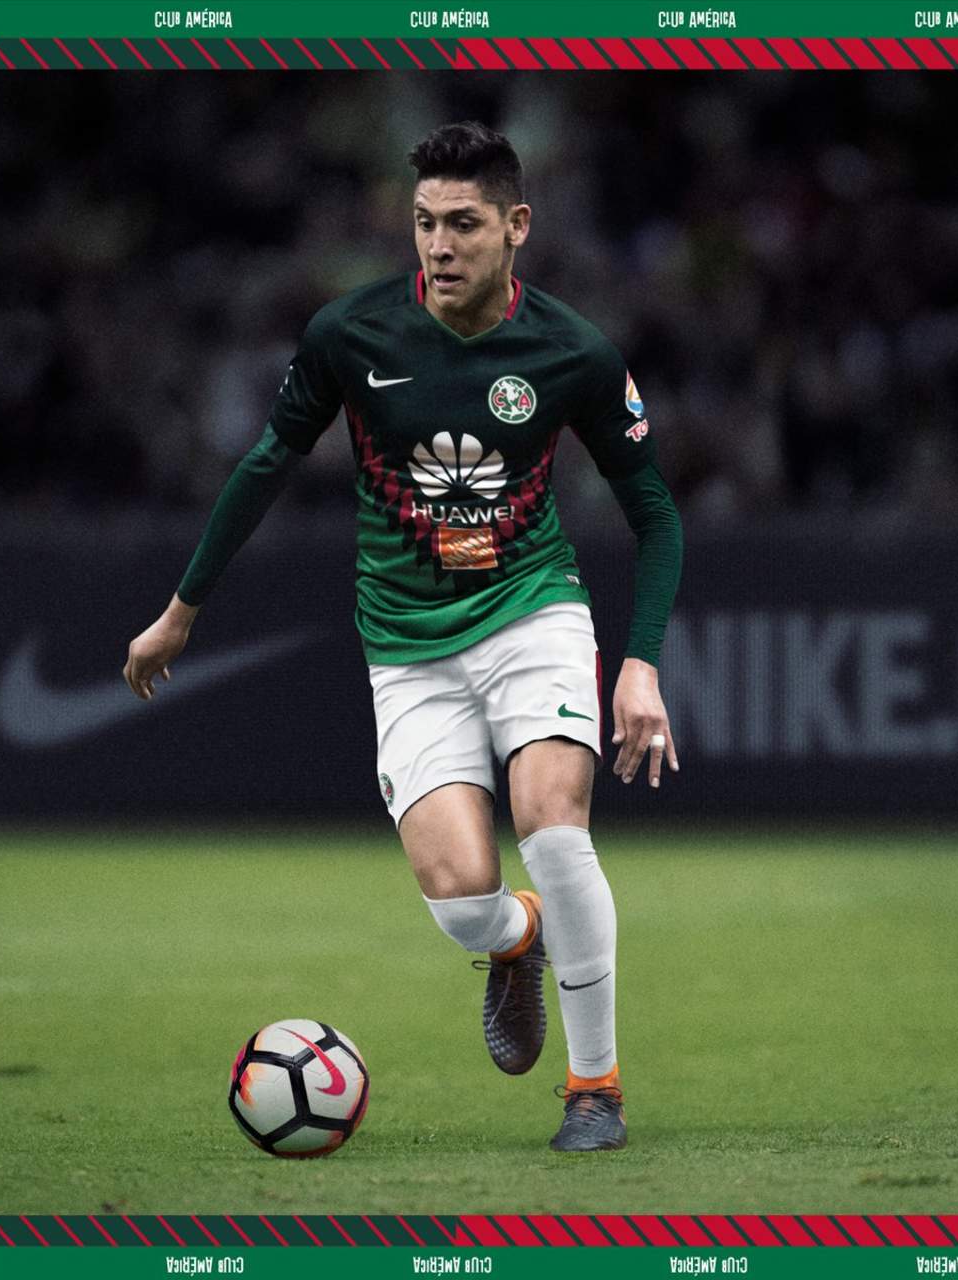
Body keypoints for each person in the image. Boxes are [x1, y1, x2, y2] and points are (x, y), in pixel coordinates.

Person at [124, 122, 682, 1152]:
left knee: (552, 823)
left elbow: (655, 512)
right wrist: (181, 610)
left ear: (516, 226)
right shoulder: (350, 334)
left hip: (531, 610)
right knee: (463, 899)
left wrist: (639, 662)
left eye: (463, 223)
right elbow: (264, 465)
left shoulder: (573, 351)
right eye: (424, 223)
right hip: (406, 644)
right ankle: (517, 936)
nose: (439, 245)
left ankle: (593, 1089)